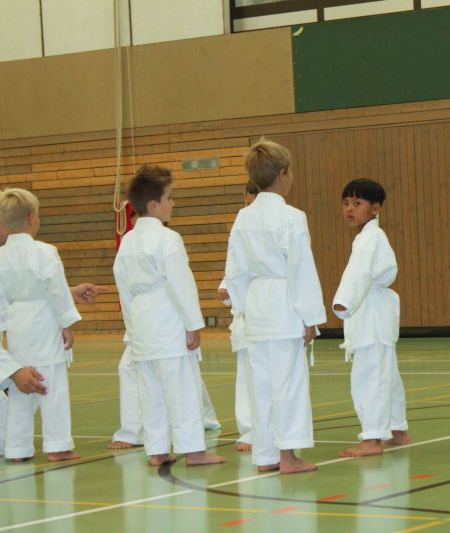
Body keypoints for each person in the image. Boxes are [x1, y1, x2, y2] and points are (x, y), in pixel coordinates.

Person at [0, 194, 103, 458]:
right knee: (3, 434)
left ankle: (18, 448)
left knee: (18, 416)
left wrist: (66, 294)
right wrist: (14, 371)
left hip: (2, 352)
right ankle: (55, 445)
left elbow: (3, 301)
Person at [223, 140, 325, 474]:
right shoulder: (292, 217)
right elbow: (301, 269)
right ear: (283, 174)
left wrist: (242, 307)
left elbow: (235, 271)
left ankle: (265, 456)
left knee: (261, 385)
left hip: (255, 306)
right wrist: (310, 318)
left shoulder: (243, 217)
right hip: (284, 303)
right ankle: (288, 457)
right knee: (289, 384)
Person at [113, 165, 225, 466]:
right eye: (170, 197)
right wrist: (193, 324)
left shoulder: (127, 242)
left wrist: (131, 329)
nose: (173, 203)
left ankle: (157, 450)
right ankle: (194, 451)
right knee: (182, 389)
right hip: (168, 319)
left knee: (150, 391)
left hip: (141, 323)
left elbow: (123, 289)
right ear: (154, 205)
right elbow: (180, 285)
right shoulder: (168, 239)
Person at [333, 178, 409, 458]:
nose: (349, 209)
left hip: (370, 314)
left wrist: (343, 301)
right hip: (376, 314)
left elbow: (359, 273)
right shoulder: (370, 236)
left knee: (370, 377)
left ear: (375, 208)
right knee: (386, 375)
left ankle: (373, 438)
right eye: (345, 203)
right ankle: (397, 429)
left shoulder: (369, 238)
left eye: (357, 203)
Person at [217, 181, 259, 453]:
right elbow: (233, 265)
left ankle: (268, 430)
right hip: (244, 314)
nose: (249, 206)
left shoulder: (283, 221)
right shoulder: (240, 223)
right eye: (247, 201)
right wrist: (226, 287)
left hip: (268, 306)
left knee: (266, 377)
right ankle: (249, 431)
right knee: (246, 376)